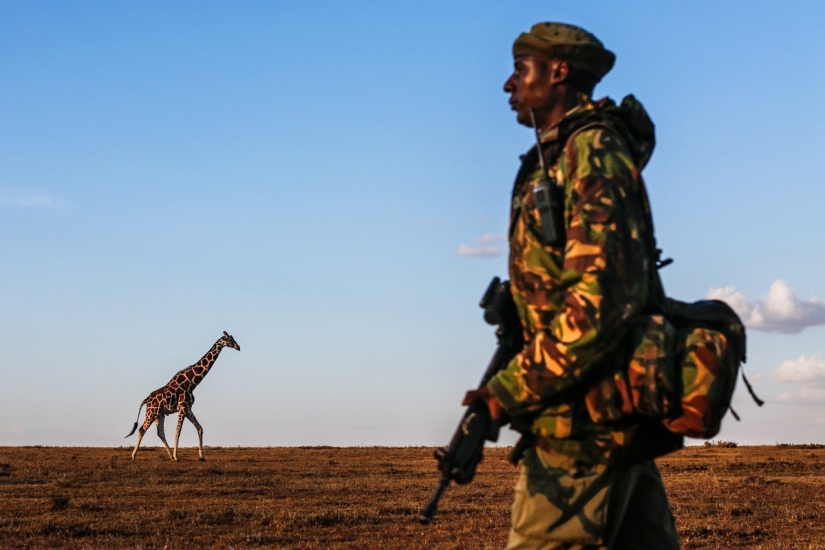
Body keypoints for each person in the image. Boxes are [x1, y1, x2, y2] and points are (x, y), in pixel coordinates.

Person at [463, 23, 682, 549]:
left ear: (558, 72)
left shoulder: (591, 152)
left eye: (521, 69)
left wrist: (507, 393)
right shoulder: (558, 156)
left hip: (582, 429)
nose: (508, 85)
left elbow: (599, 304)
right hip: (605, 419)